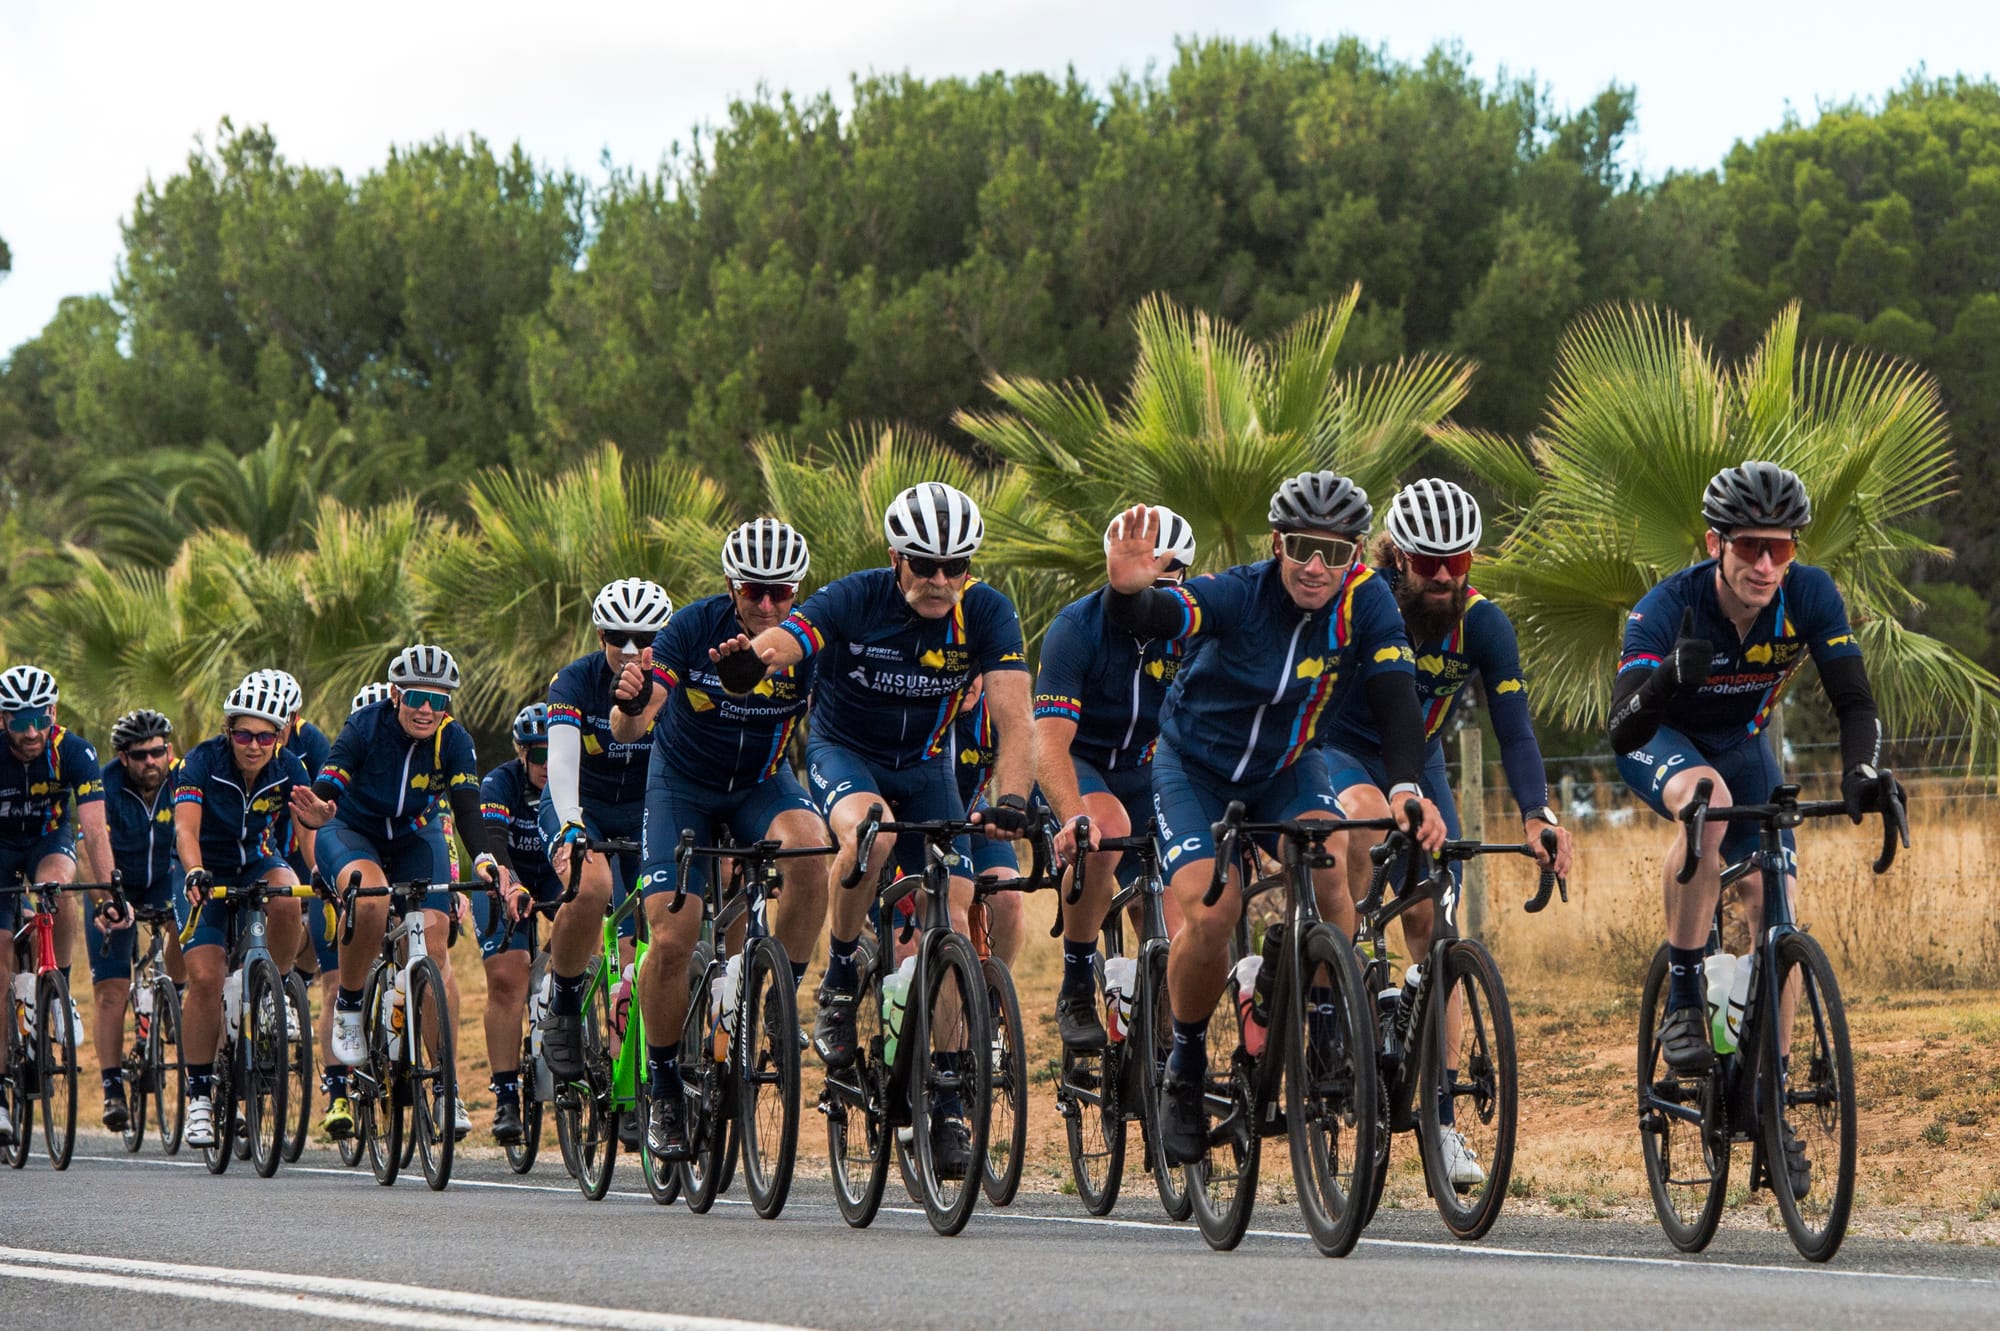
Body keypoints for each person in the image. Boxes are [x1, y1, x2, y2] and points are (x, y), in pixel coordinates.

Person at [1099, 475, 1444, 1166]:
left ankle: (1320, 1024)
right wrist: (1129, 591)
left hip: (1287, 768)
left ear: (1354, 555)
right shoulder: (1239, 591)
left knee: (1331, 865)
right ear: (1280, 543)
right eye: (1305, 548)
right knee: (1215, 907)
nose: (1318, 566)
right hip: (1194, 771)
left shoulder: (1365, 600)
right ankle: (1185, 1068)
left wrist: (1406, 785)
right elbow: (1159, 618)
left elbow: (1394, 694)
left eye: (1337, 551)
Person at [712, 483, 1035, 1179]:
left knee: (953, 912)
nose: (941, 581)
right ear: (896, 557)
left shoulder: (985, 610)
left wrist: (1012, 795)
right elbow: (793, 636)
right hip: (844, 752)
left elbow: (1014, 714)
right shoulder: (858, 596)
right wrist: (752, 659)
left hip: (926, 765)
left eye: (956, 566)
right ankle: (835, 977)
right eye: (924, 564)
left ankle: (945, 1091)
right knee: (872, 834)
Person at [1609, 462, 1883, 1206]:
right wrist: (1667, 676)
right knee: (1709, 800)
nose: (1766, 564)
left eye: (1781, 548)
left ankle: (1769, 1089)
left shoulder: (1811, 595)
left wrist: (1862, 772)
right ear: (1716, 543)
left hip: (1745, 744)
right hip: (1660, 737)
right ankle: (1686, 996)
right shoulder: (1669, 606)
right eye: (1751, 547)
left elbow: (1855, 699)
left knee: (1776, 899)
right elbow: (1622, 720)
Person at [1319, 478, 1574, 1185]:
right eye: (1428, 564)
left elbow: (1515, 730)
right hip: (1343, 748)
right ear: (1395, 557)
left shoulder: (1484, 623)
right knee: (1368, 820)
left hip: (1422, 759)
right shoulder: (1362, 603)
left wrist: (1536, 812)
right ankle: (1347, 986)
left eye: (1457, 564)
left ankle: (1441, 1118)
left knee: (1441, 929)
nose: (1442, 578)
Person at [619, 520, 828, 1158]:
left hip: (760, 783)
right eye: (753, 591)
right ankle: (661, 1089)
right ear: (731, 585)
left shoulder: (807, 643)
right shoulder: (691, 629)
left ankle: (776, 1001)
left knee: (812, 852)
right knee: (675, 937)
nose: (767, 605)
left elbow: (833, 722)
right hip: (681, 785)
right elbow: (634, 725)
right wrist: (630, 705)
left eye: (781, 593)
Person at [308, 644, 511, 1139]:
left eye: (438, 700)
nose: (426, 708)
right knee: (372, 896)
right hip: (353, 830)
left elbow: (466, 807)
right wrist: (318, 807)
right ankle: (352, 1009)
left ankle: (445, 1087)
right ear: (396, 694)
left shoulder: (453, 739)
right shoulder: (366, 726)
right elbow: (330, 783)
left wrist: (484, 859)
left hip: (415, 835)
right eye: (416, 696)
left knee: (433, 949)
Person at [1037, 506, 1193, 1051]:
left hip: (1150, 768)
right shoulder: (1076, 629)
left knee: (1181, 936)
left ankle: (1169, 1065)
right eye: (1141, 576)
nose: (1153, 594)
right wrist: (1072, 814)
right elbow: (1049, 740)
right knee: (1103, 829)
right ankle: (1078, 979)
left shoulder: (1195, 633)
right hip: (1082, 763)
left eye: (1168, 580)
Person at [173, 674, 331, 1147]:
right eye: (244, 735)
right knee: (204, 977)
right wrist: (196, 871)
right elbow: (185, 830)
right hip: (204, 868)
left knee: (289, 893)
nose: (254, 745)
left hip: (256, 862)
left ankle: (273, 989)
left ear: (280, 737)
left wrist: (320, 867)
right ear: (229, 733)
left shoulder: (290, 769)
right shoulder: (201, 762)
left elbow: (307, 836)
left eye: (265, 736)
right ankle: (200, 1094)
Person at [534, 578, 674, 1093]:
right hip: (581, 804)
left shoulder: (672, 684)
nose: (632, 648)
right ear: (600, 637)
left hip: (646, 807)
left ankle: (647, 1074)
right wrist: (571, 824)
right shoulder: (573, 683)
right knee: (590, 886)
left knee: (664, 927)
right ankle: (565, 1008)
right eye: (619, 636)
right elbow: (563, 765)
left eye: (646, 636)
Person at [0, 664, 115, 1149]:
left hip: (49, 837)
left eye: (38, 720)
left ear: (53, 712)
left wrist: (110, 891)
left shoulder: (74, 750)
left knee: (58, 889)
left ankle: (60, 985)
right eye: (17, 720)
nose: (29, 733)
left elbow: (93, 828)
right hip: (1, 848)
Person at [85, 708, 181, 1132]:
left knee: (194, 944)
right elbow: (89, 848)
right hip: (116, 889)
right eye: (141, 755)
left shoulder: (183, 781)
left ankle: (177, 1001)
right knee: (111, 990)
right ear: (124, 757)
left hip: (165, 882)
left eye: (158, 752)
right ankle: (111, 1089)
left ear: (169, 751)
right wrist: (107, 901)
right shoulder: (103, 785)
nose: (151, 762)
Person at [475, 703, 561, 1145]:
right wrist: (509, 886)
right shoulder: (499, 782)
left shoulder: (569, 780)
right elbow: (492, 840)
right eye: (539, 755)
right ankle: (507, 1095)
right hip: (504, 872)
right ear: (521, 754)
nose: (548, 765)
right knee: (508, 979)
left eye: (556, 753)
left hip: (552, 871)